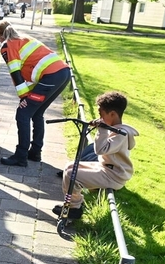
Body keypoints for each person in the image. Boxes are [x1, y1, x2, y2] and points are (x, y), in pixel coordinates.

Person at [53, 91, 138, 219]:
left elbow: (100, 149)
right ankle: (73, 203)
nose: (100, 117)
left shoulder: (120, 134)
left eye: (101, 114)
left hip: (114, 175)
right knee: (70, 166)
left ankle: (74, 207)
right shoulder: (115, 128)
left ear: (112, 114)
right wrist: (101, 126)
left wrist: (102, 129)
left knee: (72, 174)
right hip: (106, 168)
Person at [0, 21, 71, 167]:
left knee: (23, 113)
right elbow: (32, 71)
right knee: (37, 113)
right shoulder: (24, 38)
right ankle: (35, 152)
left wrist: (24, 97)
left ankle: (21, 155)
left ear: (0, 35)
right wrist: (27, 95)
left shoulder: (8, 45)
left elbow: (15, 71)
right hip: (63, 73)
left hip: (51, 76)